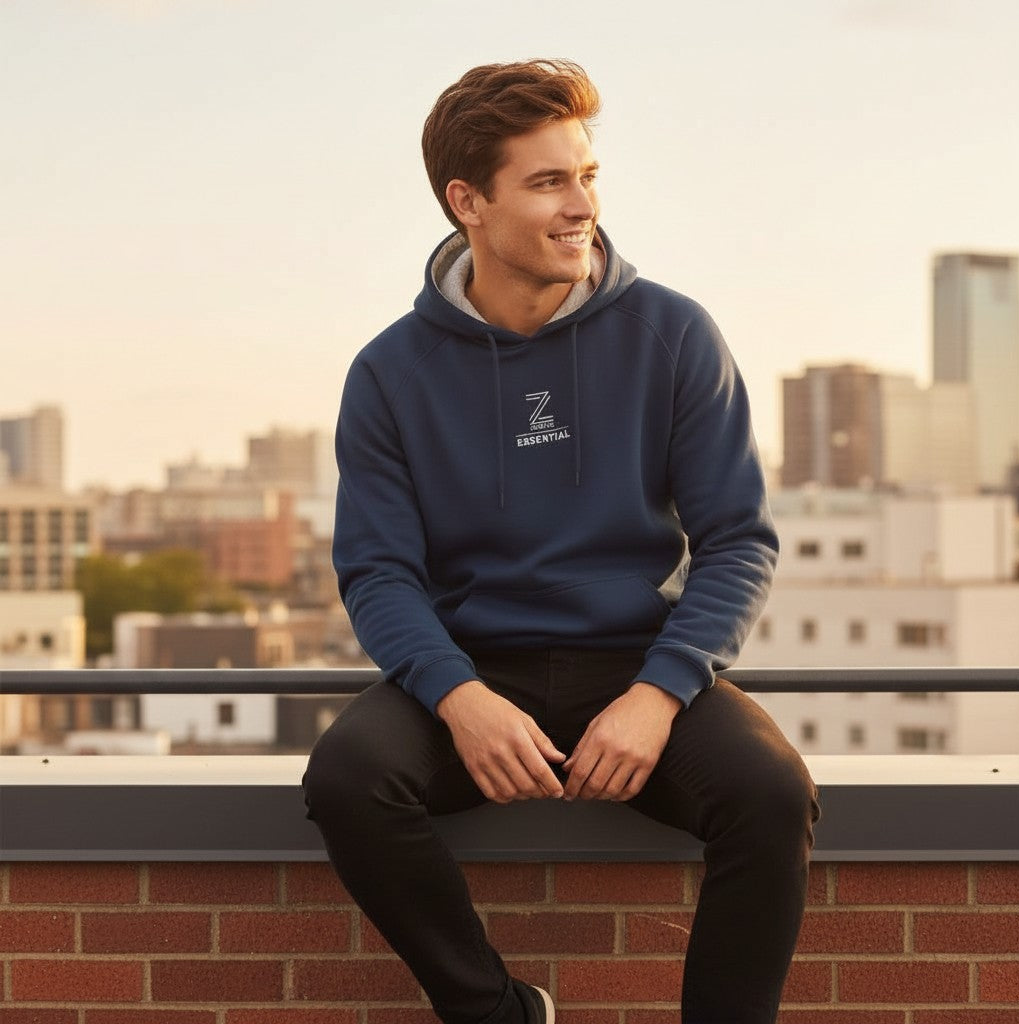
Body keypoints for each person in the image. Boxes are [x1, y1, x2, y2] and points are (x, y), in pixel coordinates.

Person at [303, 58, 819, 1024]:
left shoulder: (673, 333)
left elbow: (739, 541)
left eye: (588, 175)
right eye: (548, 181)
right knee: (348, 778)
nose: (581, 204)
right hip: (471, 668)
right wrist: (459, 699)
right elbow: (375, 570)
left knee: (771, 792)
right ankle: (499, 1012)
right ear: (468, 202)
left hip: (634, 662)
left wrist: (660, 696)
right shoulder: (389, 372)